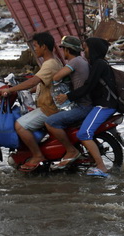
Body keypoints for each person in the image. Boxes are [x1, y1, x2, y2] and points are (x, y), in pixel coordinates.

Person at [0, 32, 62, 172]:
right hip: (49, 105)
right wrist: (28, 91)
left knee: (19, 126)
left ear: (44, 47)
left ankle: (38, 155)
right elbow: (42, 84)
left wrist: (12, 90)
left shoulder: (49, 64)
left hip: (48, 108)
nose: (34, 49)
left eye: (36, 46)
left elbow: (35, 80)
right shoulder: (53, 62)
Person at [55, 37, 117, 178]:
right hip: (101, 105)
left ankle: (102, 167)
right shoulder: (95, 63)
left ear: (93, 49)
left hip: (105, 106)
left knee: (83, 134)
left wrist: (68, 96)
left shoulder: (99, 65)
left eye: (87, 48)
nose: (84, 51)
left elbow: (87, 87)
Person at [44, 36, 92, 170]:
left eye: (64, 49)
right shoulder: (82, 59)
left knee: (50, 122)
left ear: (67, 50)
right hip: (86, 104)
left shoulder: (75, 61)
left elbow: (56, 77)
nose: (63, 52)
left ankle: (71, 150)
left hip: (83, 107)